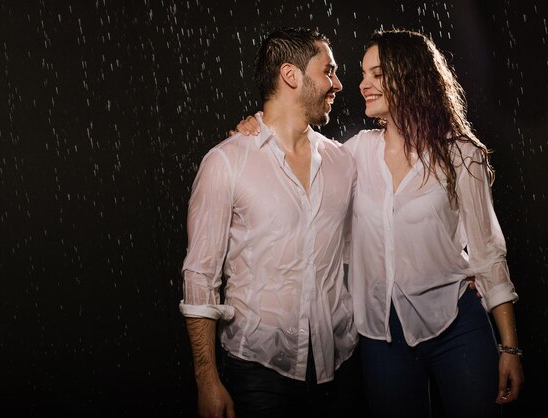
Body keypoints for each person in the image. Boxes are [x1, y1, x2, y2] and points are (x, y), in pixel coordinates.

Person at [236, 28, 524, 418]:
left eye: (376, 74)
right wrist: (254, 129)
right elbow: (294, 145)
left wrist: (508, 347)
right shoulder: (353, 154)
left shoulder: (462, 155)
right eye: (362, 74)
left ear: (409, 76)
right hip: (380, 336)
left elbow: (489, 252)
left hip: (456, 324)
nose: (361, 85)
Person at [179, 27, 364, 418]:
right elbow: (200, 278)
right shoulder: (226, 162)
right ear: (290, 75)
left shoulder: (343, 161)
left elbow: (368, 242)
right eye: (328, 71)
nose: (338, 84)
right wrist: (207, 380)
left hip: (342, 366)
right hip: (258, 374)